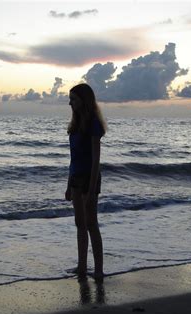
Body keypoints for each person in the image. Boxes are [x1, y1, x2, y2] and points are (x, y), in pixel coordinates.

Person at [65, 83, 107, 282]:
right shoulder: (74, 125)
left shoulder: (93, 124)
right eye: (70, 99)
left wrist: (91, 189)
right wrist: (68, 185)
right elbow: (73, 158)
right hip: (75, 177)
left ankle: (98, 269)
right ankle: (82, 266)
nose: (70, 102)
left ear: (84, 100)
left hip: (89, 178)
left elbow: (96, 160)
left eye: (73, 99)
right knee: (79, 223)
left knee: (91, 224)